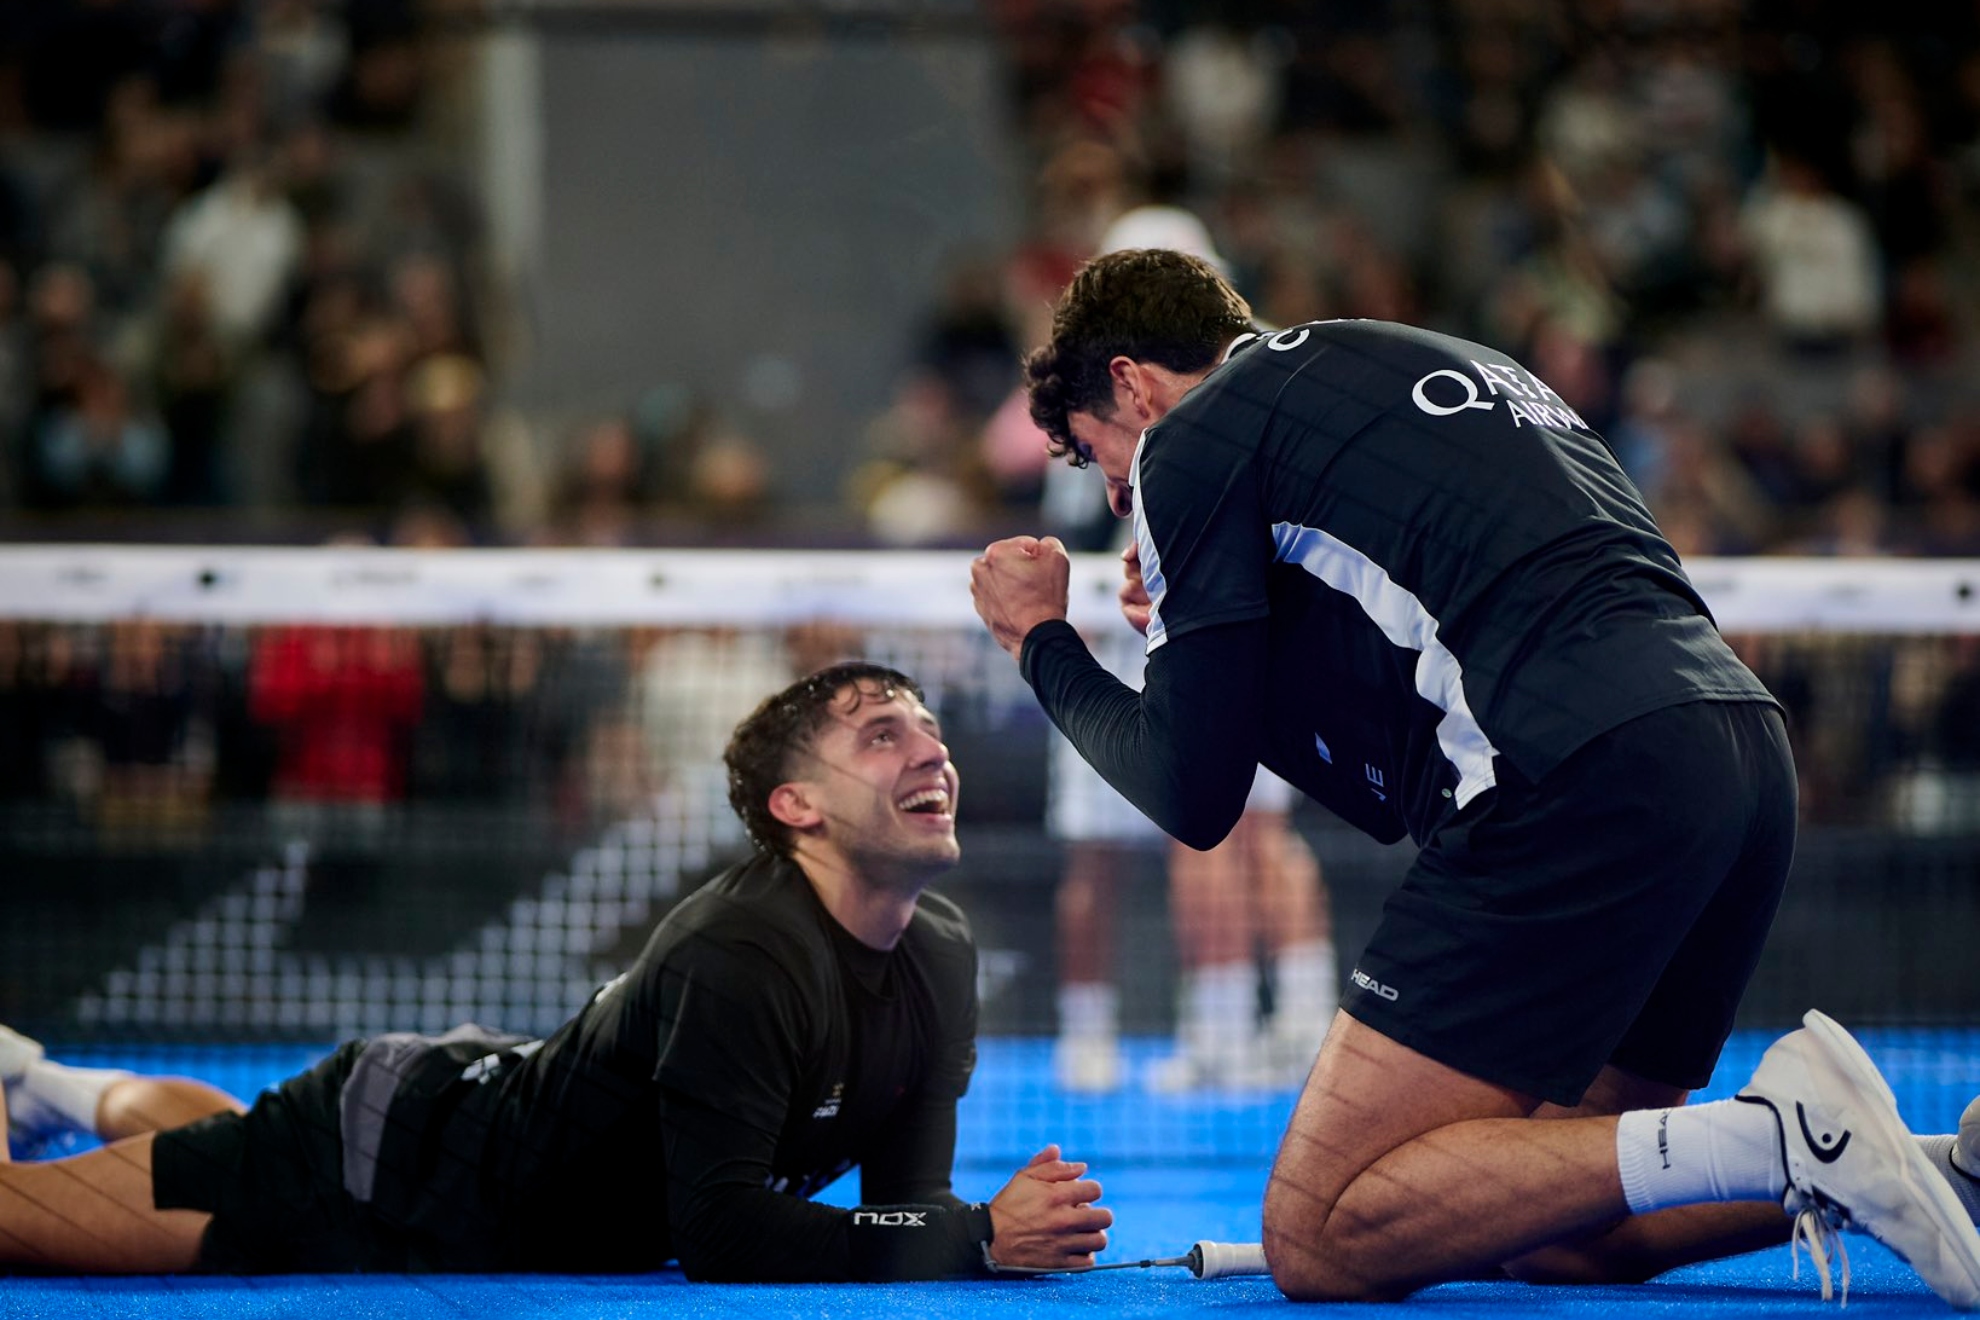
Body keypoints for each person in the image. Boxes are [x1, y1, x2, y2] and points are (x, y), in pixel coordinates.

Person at [969, 247, 1980, 1304]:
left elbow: (1192, 795)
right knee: (1554, 1228)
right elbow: (1384, 767)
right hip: (1734, 756)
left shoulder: (1188, 437)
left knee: (1323, 1231)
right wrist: (1220, 636)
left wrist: (1041, 641)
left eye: (1101, 457)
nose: (1123, 498)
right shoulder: (1422, 361)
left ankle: (1780, 1140)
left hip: (1570, 768)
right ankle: (1946, 1168)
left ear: (1133, 384)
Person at [0, 662, 1113, 1279]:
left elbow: (902, 1211)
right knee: (24, 1222)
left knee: (205, 1151)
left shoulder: (939, 953)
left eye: (928, 729)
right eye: (882, 735)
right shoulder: (744, 952)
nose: (931, 750)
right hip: (371, 1158)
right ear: (797, 808)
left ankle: (46, 1086)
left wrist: (974, 1234)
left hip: (484, 1161)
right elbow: (720, 1235)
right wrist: (978, 1236)